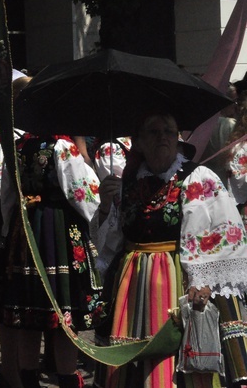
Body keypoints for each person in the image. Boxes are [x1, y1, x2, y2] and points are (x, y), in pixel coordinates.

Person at [95, 111, 247, 387]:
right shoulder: (127, 183)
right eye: (153, 132)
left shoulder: (197, 176)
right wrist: (106, 206)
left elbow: (227, 232)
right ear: (138, 142)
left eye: (169, 131)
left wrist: (202, 281)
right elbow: (109, 240)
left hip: (179, 280)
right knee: (133, 363)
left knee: (178, 360)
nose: (163, 137)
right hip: (133, 282)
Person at [0, 131, 104, 388]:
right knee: (63, 311)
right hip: (55, 228)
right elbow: (80, 194)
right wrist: (100, 220)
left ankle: (28, 380)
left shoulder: (17, 147)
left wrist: (9, 228)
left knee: (29, 314)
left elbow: (7, 194)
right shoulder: (63, 146)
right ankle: (68, 378)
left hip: (25, 228)